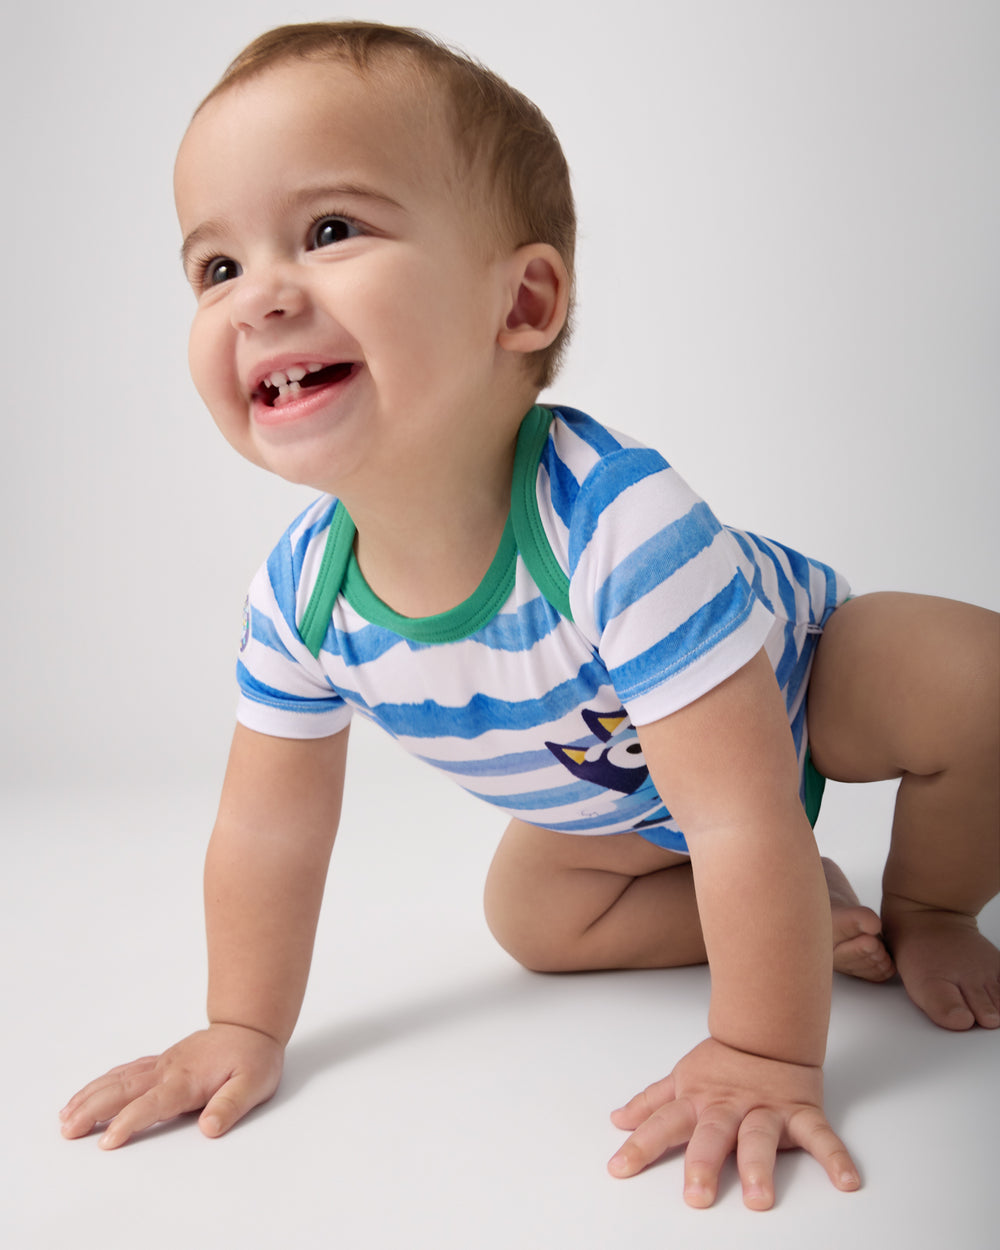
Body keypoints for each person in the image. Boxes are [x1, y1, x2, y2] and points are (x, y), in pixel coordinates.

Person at [58, 21, 999, 1211]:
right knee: (533, 918)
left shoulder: (613, 522)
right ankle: (806, 905)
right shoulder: (301, 594)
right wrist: (241, 1021)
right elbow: (269, 835)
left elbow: (741, 803)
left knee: (976, 677)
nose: (260, 297)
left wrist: (762, 1051)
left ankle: (926, 905)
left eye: (329, 230)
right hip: (628, 792)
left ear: (523, 299)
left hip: (796, 690)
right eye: (216, 266)